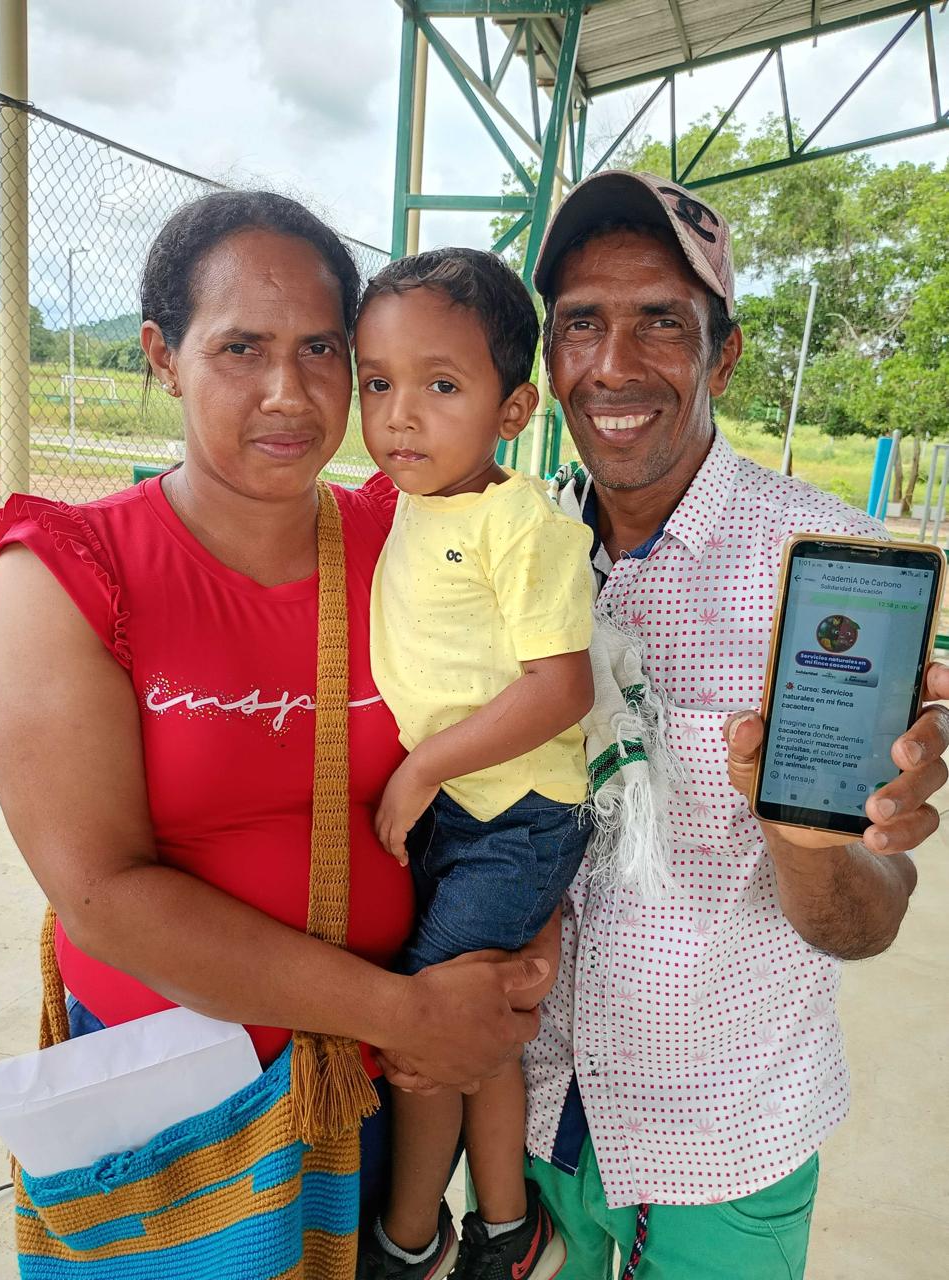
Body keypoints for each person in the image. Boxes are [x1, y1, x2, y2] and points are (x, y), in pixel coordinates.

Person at [0, 192, 551, 1269]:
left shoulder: (412, 538)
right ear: (162, 354)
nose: (288, 393)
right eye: (240, 347)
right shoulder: (66, 569)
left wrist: (515, 958)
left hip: (392, 1094)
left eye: (322, 349)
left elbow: (535, 730)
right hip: (183, 1120)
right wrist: (406, 1009)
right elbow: (102, 894)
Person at [506, 170, 949, 1279]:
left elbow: (862, 922)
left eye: (662, 320)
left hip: (722, 1142)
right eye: (580, 325)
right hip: (526, 1115)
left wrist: (809, 839)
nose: (613, 363)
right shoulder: (524, 546)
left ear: (724, 354)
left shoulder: (818, 569)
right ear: (550, 358)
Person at [353, 248, 594, 1280]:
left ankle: (410, 1238)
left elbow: (560, 688)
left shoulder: (521, 521)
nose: (401, 415)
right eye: (378, 382)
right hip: (471, 809)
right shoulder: (414, 496)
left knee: (431, 1032)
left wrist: (419, 770)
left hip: (514, 813)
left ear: (513, 408)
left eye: (441, 385)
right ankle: (507, 1224)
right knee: (480, 1021)